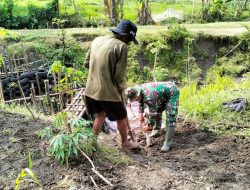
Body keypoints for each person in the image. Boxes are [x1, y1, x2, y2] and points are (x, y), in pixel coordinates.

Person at [84, 20, 139, 150]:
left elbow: (87, 62)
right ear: (126, 36)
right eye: (130, 40)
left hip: (91, 90)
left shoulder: (97, 40)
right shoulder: (122, 46)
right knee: (122, 115)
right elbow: (118, 76)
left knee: (100, 115)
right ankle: (125, 143)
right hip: (107, 92)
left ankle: (92, 143)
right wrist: (121, 85)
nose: (129, 43)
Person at [125, 81, 179, 152]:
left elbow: (153, 114)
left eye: (135, 99)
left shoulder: (150, 96)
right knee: (158, 110)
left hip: (172, 91)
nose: (135, 100)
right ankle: (157, 131)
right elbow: (141, 101)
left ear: (138, 95)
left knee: (170, 115)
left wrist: (149, 125)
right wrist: (140, 113)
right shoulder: (135, 89)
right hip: (159, 94)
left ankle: (168, 143)